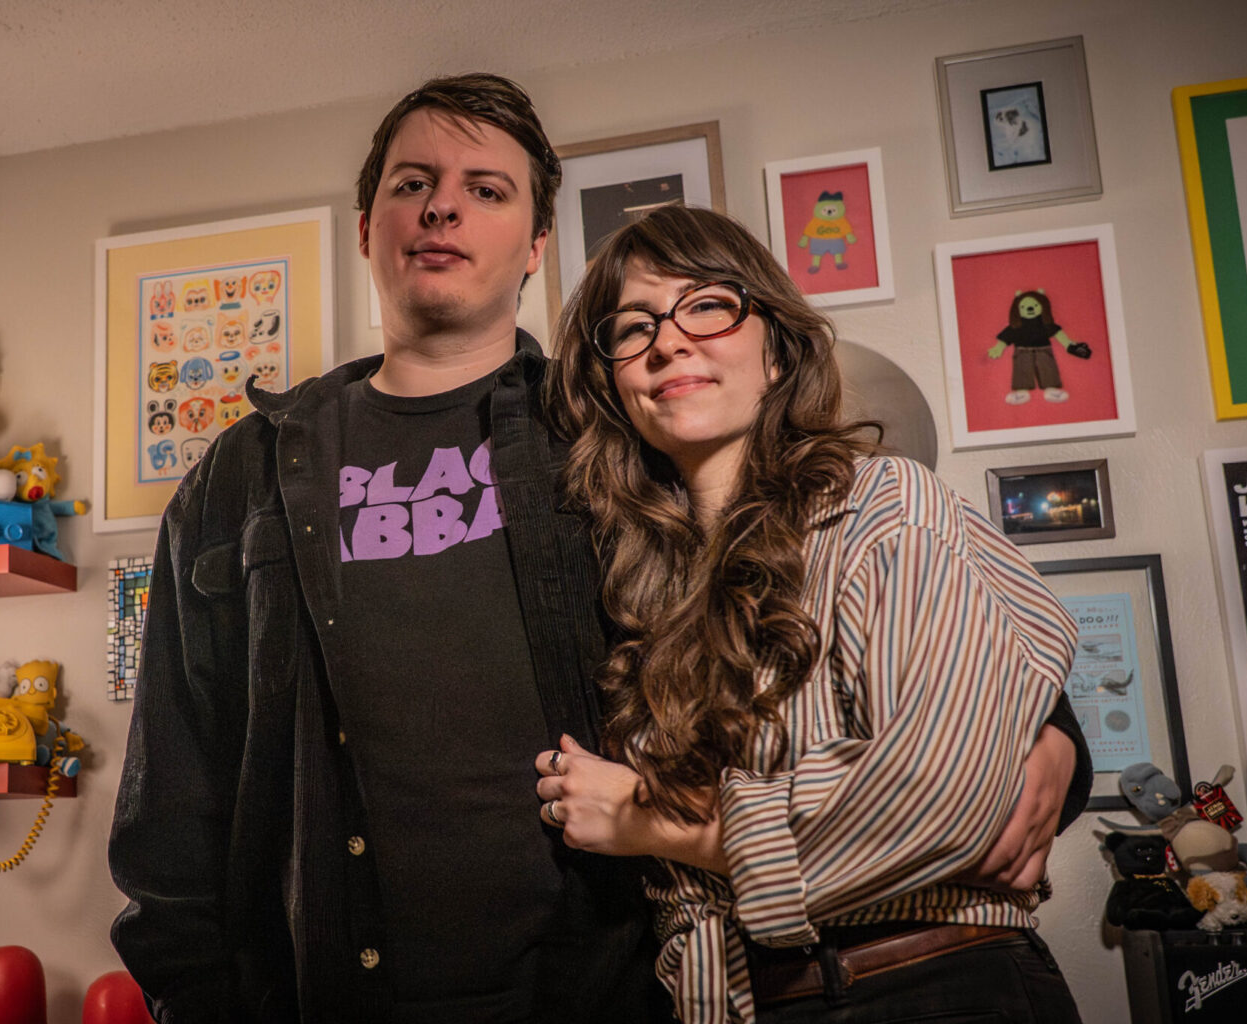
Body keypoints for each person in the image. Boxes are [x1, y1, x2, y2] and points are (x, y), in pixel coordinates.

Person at [111, 74, 1087, 1024]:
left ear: (536, 244)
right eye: (413, 184)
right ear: (368, 226)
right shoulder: (242, 478)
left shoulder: (618, 436)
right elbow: (175, 795)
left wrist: (1054, 738)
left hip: (607, 986)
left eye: (484, 190)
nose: (443, 208)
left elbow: (853, 601)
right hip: (337, 989)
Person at [535, 204, 1087, 1023]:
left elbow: (938, 797)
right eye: (631, 326)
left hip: (923, 987)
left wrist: (658, 821)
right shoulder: (632, 589)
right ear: (613, 385)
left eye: (709, 305)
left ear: (777, 347)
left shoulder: (887, 504)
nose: (668, 340)